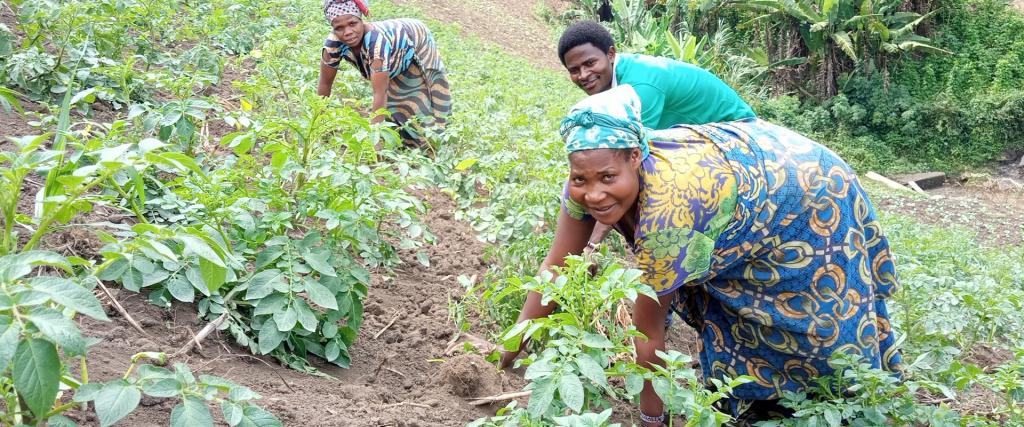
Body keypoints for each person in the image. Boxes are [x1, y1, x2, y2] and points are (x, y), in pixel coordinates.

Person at [499, 85, 903, 425]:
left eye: (608, 177)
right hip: (744, 172)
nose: (594, 194)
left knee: (810, 313)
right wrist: (506, 352)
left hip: (807, 190)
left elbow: (647, 333)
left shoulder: (668, 215)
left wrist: (652, 419)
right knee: (725, 300)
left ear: (636, 158)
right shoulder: (585, 186)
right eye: (580, 178)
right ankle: (751, 398)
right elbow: (554, 269)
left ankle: (844, 401)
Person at [557, 20, 757, 248]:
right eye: (574, 70)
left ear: (611, 54)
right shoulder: (616, 86)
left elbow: (630, 162)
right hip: (697, 137)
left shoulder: (640, 87)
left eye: (590, 63)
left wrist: (593, 243)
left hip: (738, 136)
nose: (584, 75)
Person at [317, 0, 451, 148]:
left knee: (427, 89)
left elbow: (380, 92)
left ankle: (440, 135)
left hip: (416, 38)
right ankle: (400, 135)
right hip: (389, 57)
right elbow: (325, 84)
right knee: (395, 100)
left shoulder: (377, 43)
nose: (347, 32)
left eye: (353, 24)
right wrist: (319, 125)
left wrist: (375, 141)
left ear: (361, 20)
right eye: (339, 28)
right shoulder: (332, 45)